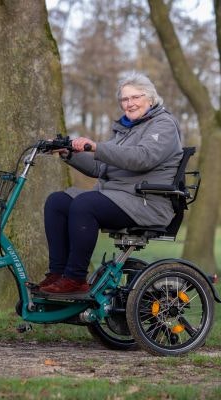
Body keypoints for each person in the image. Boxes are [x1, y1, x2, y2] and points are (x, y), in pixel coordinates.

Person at [39, 71, 184, 294]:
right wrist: (68, 153)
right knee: (57, 201)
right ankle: (58, 274)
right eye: (125, 99)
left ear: (150, 98)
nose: (130, 103)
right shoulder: (125, 129)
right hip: (119, 197)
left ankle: (76, 278)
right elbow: (100, 167)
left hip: (147, 202)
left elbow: (142, 157)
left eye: (136, 97)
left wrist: (96, 146)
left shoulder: (162, 125)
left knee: (85, 204)